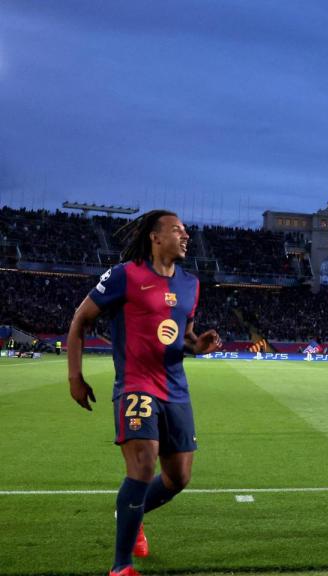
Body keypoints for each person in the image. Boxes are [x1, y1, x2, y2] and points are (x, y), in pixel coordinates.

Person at [66, 210, 222, 576]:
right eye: (177, 230)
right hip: (136, 384)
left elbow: (179, 337)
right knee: (142, 464)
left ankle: (131, 513)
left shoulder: (190, 284)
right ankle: (122, 566)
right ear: (155, 237)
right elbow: (80, 320)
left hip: (176, 389)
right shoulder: (125, 275)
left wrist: (197, 346)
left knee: (179, 477)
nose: (185, 236)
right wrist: (75, 375)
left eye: (186, 231)